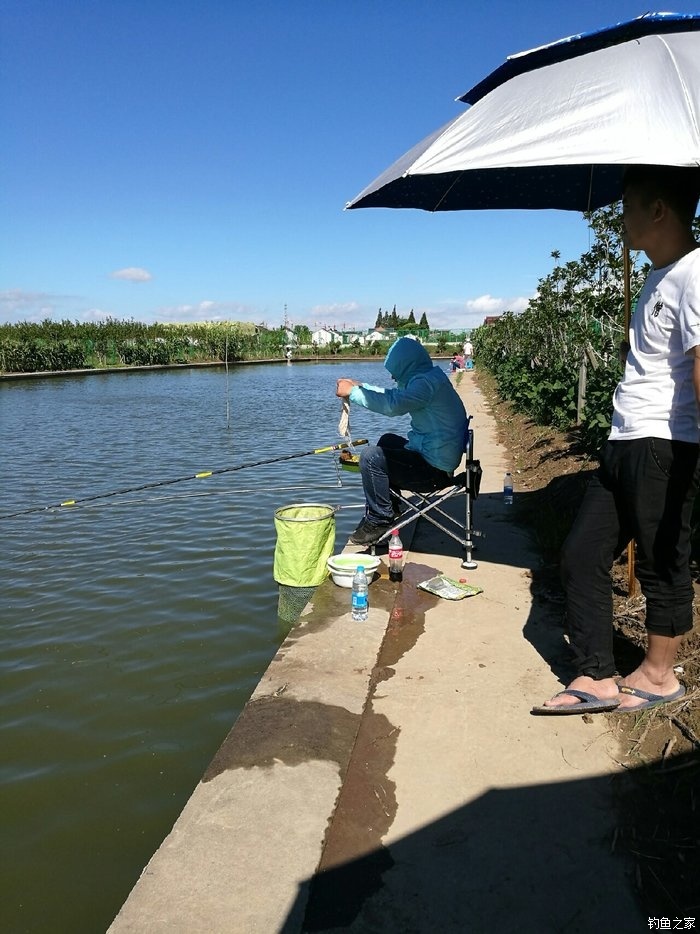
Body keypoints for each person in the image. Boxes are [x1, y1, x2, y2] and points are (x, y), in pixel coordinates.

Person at [534, 164, 700, 715]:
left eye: (628, 204)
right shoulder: (659, 275)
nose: (619, 216)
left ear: (658, 210)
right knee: (582, 552)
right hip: (625, 438)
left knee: (661, 561)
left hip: (664, 440)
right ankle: (598, 676)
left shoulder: (696, 273)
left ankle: (658, 675)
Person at [336, 336, 468, 546]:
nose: (392, 377)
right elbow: (395, 395)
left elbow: (392, 406)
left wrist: (353, 393)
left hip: (433, 471)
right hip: (438, 458)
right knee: (387, 440)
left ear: (406, 366)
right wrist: (361, 386)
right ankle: (392, 505)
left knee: (371, 457)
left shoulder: (424, 385)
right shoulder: (429, 377)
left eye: (395, 372)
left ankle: (380, 519)